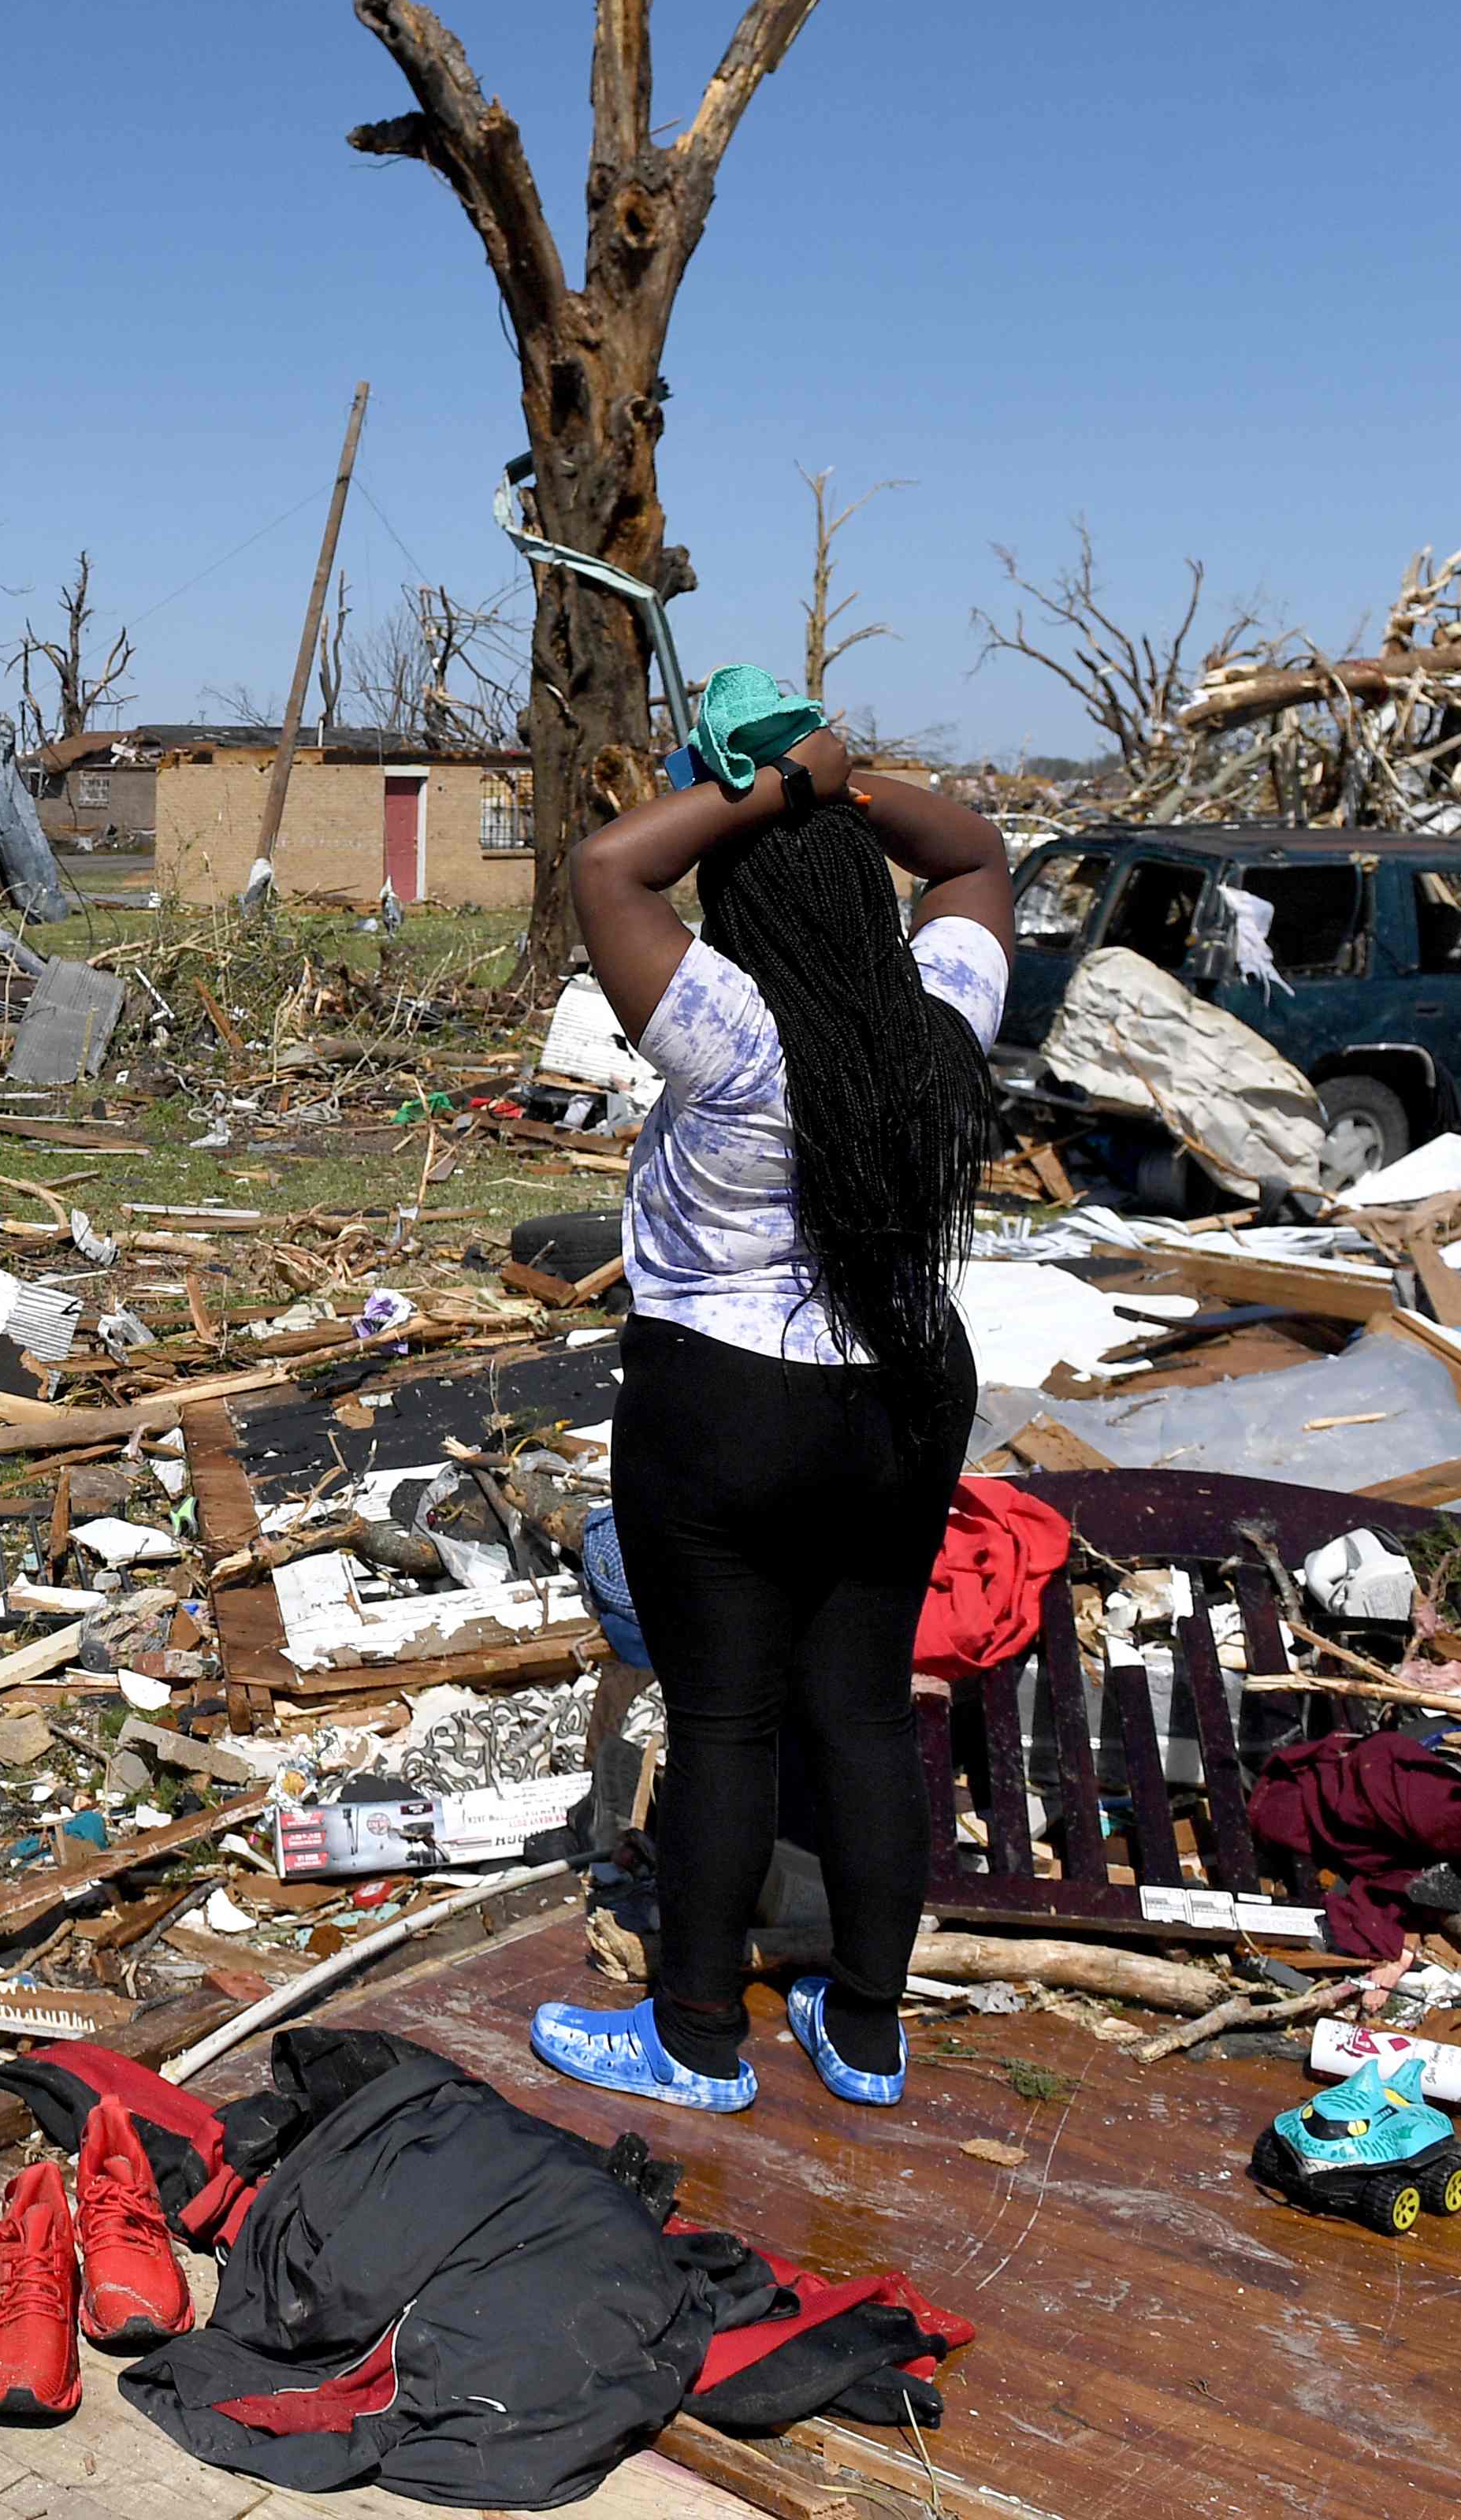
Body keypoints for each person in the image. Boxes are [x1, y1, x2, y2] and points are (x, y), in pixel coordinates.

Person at [527, 722, 1013, 2115]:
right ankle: (864, 2028)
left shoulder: (729, 1029)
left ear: (740, 908)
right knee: (862, 1712)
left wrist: (778, 789)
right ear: (869, 893)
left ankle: (692, 2038)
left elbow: (612, 866)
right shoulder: (939, 1015)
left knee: (728, 1717)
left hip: (728, 1402)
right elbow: (973, 849)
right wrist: (844, 792)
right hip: (910, 1389)